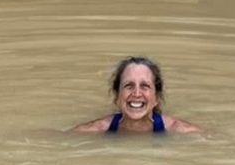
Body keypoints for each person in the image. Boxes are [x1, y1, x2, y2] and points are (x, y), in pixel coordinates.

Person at [72, 56, 202, 134]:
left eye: (145, 86)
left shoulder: (182, 130)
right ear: (117, 95)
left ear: (156, 97)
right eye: (129, 86)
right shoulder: (95, 130)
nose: (137, 94)